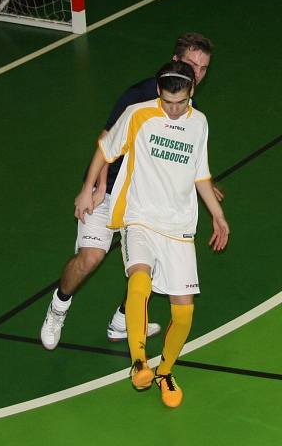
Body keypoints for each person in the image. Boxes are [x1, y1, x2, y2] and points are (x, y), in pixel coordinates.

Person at [41, 33, 222, 350]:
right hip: (108, 187)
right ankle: (59, 305)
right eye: (192, 64)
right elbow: (105, 140)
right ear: (175, 61)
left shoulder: (186, 107)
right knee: (91, 257)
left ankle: (122, 321)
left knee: (147, 261)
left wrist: (202, 180)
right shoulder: (140, 97)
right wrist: (92, 188)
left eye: (204, 68)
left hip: (143, 199)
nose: (198, 72)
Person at [74, 59, 229, 406]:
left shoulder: (199, 122)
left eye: (182, 102)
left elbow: (200, 173)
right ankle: (139, 362)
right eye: (169, 102)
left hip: (179, 227)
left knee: (184, 312)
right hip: (139, 217)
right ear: (159, 91)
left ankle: (165, 372)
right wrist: (89, 186)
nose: (175, 111)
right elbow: (105, 148)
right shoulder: (138, 114)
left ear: (192, 93)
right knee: (139, 281)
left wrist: (217, 215)